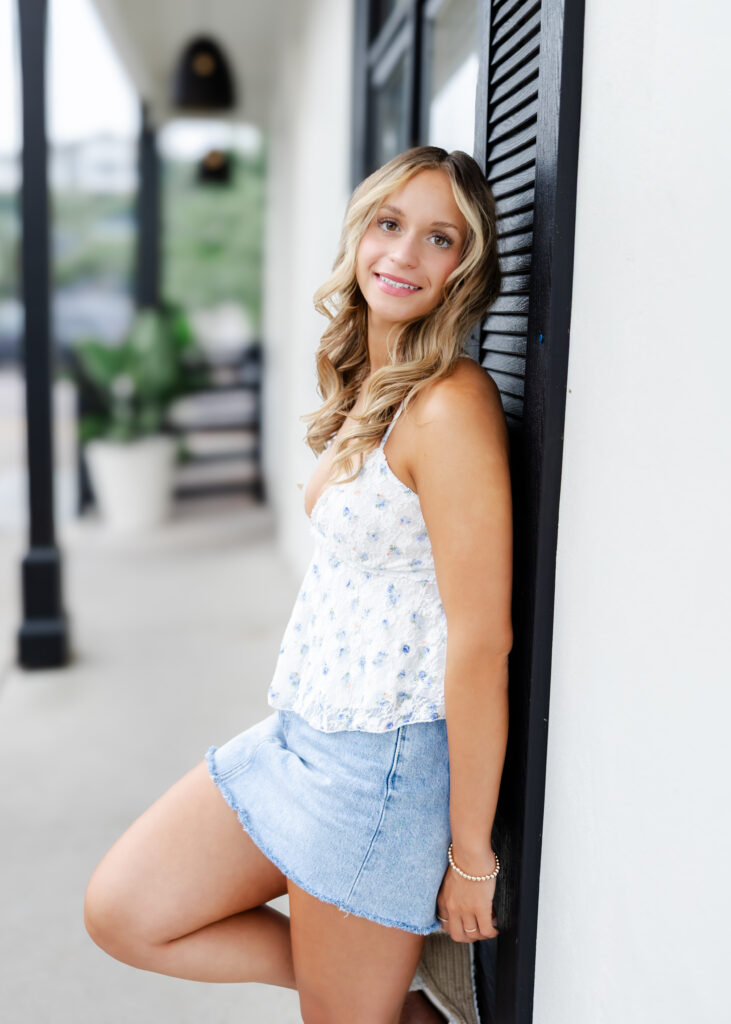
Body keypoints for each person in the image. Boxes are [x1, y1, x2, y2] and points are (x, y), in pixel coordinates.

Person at [83, 146, 512, 1024]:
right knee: (126, 910)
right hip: (300, 733)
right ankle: (384, 998)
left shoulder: (449, 404)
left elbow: (480, 640)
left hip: (378, 765)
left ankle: (370, 997)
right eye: (390, 225)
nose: (403, 255)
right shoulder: (375, 387)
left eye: (440, 238)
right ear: (360, 234)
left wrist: (470, 854)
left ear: (464, 268)